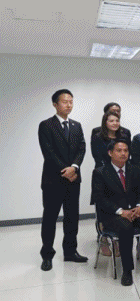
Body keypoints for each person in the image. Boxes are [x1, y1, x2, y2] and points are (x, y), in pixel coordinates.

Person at [92, 140, 140, 286]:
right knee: (126, 228)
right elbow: (99, 198)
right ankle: (127, 270)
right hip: (112, 215)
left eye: (126, 150)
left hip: (134, 212)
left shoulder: (135, 169)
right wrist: (121, 211)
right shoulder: (100, 172)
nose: (123, 153)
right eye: (119, 150)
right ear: (110, 153)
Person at [38, 89, 87, 271]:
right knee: (50, 218)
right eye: (65, 101)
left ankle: (70, 252)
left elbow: (82, 148)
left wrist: (74, 167)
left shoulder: (76, 125)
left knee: (72, 217)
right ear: (55, 104)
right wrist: (65, 170)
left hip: (73, 179)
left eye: (71, 101)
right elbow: (48, 152)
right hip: (53, 180)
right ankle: (47, 255)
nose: (69, 105)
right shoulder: (46, 125)